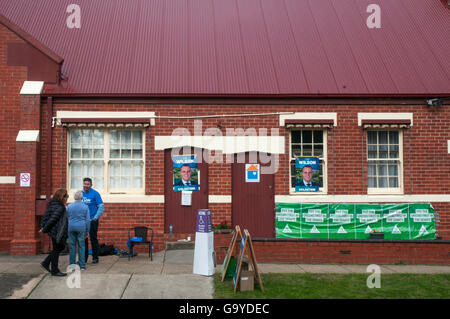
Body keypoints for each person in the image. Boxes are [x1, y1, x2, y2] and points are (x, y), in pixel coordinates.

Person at [39, 189, 69, 277]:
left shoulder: (52, 204)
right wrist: (44, 229)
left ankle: (46, 262)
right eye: (66, 197)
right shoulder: (60, 207)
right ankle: (55, 271)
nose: (67, 199)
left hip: (53, 231)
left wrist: (43, 226)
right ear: (62, 197)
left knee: (58, 248)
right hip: (57, 231)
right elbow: (52, 219)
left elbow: (45, 216)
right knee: (57, 249)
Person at [82, 177, 104, 264]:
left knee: (93, 239)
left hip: (92, 220)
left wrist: (95, 217)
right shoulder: (80, 193)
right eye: (85, 184)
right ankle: (84, 258)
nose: (86, 186)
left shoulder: (95, 194)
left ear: (91, 185)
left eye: (88, 184)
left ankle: (95, 257)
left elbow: (101, 207)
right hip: (82, 221)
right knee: (83, 239)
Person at [67, 190, 90, 270]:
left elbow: (67, 216)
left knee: (72, 246)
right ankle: (82, 266)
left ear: (74, 197)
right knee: (81, 246)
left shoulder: (69, 206)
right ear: (82, 197)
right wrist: (87, 231)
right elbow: (87, 220)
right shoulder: (85, 207)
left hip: (71, 227)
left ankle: (72, 266)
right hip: (81, 228)